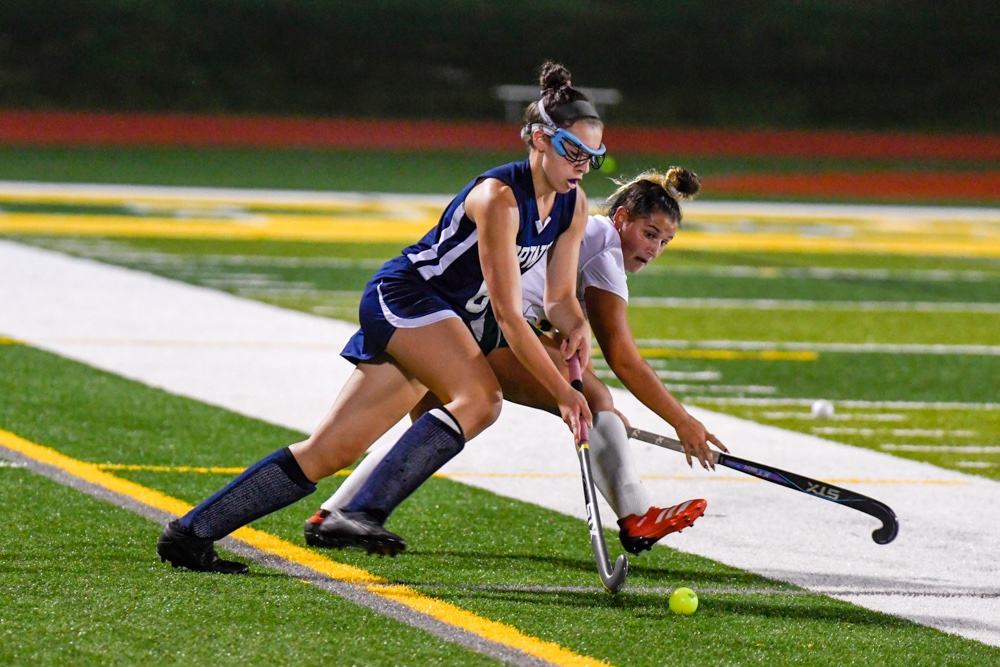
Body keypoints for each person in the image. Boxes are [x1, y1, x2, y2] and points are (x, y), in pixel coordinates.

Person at [156, 61, 606, 573]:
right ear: (540, 139)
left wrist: (576, 324)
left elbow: (558, 298)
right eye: (574, 151)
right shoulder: (499, 198)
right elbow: (506, 312)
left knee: (331, 451)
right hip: (410, 298)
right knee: (481, 399)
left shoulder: (571, 204)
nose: (582, 166)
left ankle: (190, 533)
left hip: (447, 321)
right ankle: (361, 511)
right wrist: (562, 391)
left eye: (593, 157)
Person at [304, 166, 729, 557]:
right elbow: (623, 358)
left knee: (430, 428)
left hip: (450, 312)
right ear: (621, 218)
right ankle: (636, 516)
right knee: (594, 399)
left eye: (664, 242)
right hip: (480, 322)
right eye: (650, 234)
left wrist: (604, 422)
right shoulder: (606, 251)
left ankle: (336, 513)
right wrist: (683, 422)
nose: (654, 249)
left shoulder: (590, 235)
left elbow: (565, 338)